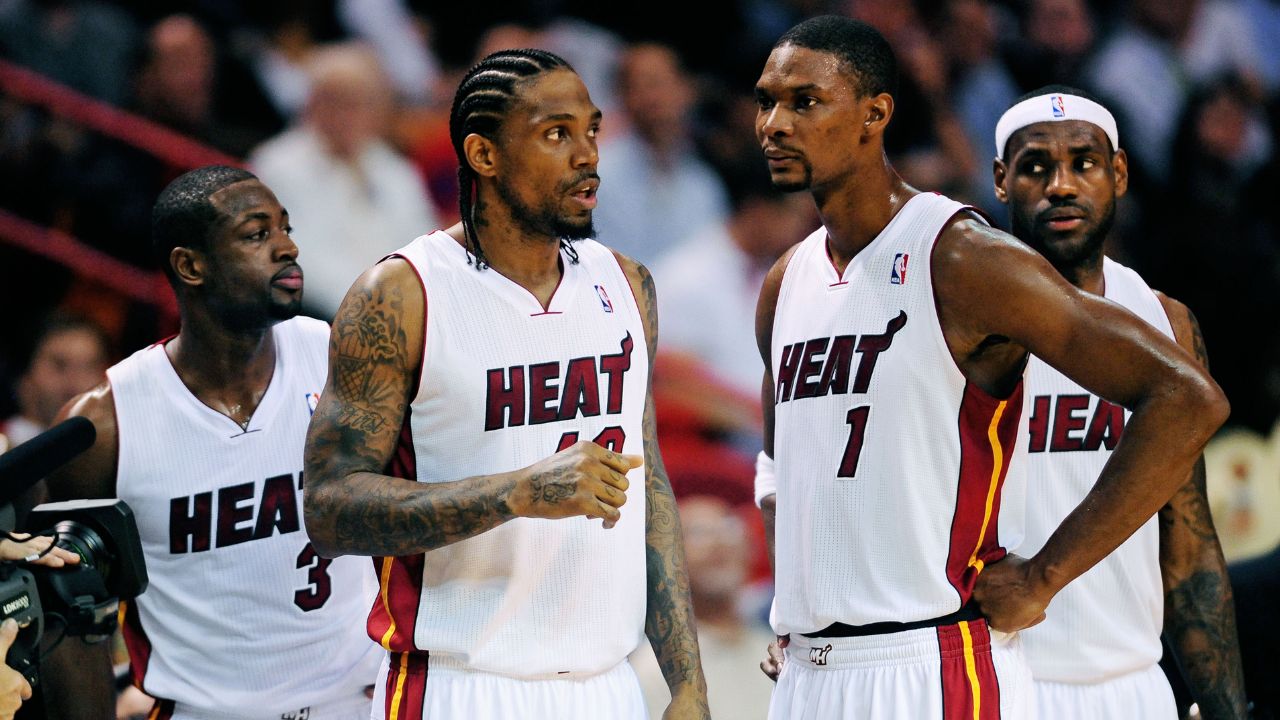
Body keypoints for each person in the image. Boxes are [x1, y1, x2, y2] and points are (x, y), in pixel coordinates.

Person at [752, 16, 1228, 719]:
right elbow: (777, 466)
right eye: (766, 101)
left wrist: (1044, 576)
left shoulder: (959, 254)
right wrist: (805, 599)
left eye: (804, 102)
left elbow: (1186, 399)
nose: (773, 124)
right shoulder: (785, 281)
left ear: (875, 114)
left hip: (930, 663)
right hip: (807, 674)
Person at [301, 49, 708, 720]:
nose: (587, 156)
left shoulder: (628, 285)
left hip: (609, 686)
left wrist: (686, 681)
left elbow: (649, 485)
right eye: (556, 134)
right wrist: (516, 492)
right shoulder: (401, 295)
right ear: (484, 156)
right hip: (463, 684)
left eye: (592, 130)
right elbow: (330, 508)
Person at [38, 165, 379, 719]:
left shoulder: (343, 359)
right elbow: (70, 617)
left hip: (359, 700)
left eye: (285, 228)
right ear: (190, 265)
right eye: (256, 234)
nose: (287, 247)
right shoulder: (105, 425)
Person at [993, 86, 1246, 719]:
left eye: (1084, 162)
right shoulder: (962, 317)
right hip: (994, 675)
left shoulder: (1165, 323)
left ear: (1120, 173)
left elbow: (1186, 541)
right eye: (1035, 167)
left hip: (1130, 683)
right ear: (1001, 180)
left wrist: (1227, 708)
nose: (1061, 186)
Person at [250, 43, 440, 319]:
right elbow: (299, 259)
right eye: (335, 101)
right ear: (312, 102)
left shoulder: (394, 168)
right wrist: (372, 307)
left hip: (403, 313)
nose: (347, 115)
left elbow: (424, 245)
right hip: (323, 317)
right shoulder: (277, 166)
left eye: (361, 103)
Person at [1, 314, 110, 449]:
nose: (76, 384)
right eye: (60, 365)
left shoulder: (108, 460)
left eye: (90, 367)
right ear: (24, 377)